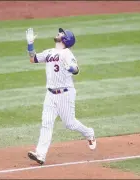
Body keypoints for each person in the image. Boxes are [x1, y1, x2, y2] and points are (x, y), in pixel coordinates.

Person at [26, 28, 96, 165]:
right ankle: (40, 154)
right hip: (50, 94)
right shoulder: (49, 52)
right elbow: (32, 59)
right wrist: (30, 43)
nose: (59, 33)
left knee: (70, 123)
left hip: (65, 93)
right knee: (46, 123)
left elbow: (76, 69)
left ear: (66, 39)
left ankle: (89, 133)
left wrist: (70, 68)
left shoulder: (66, 53)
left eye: (62, 33)